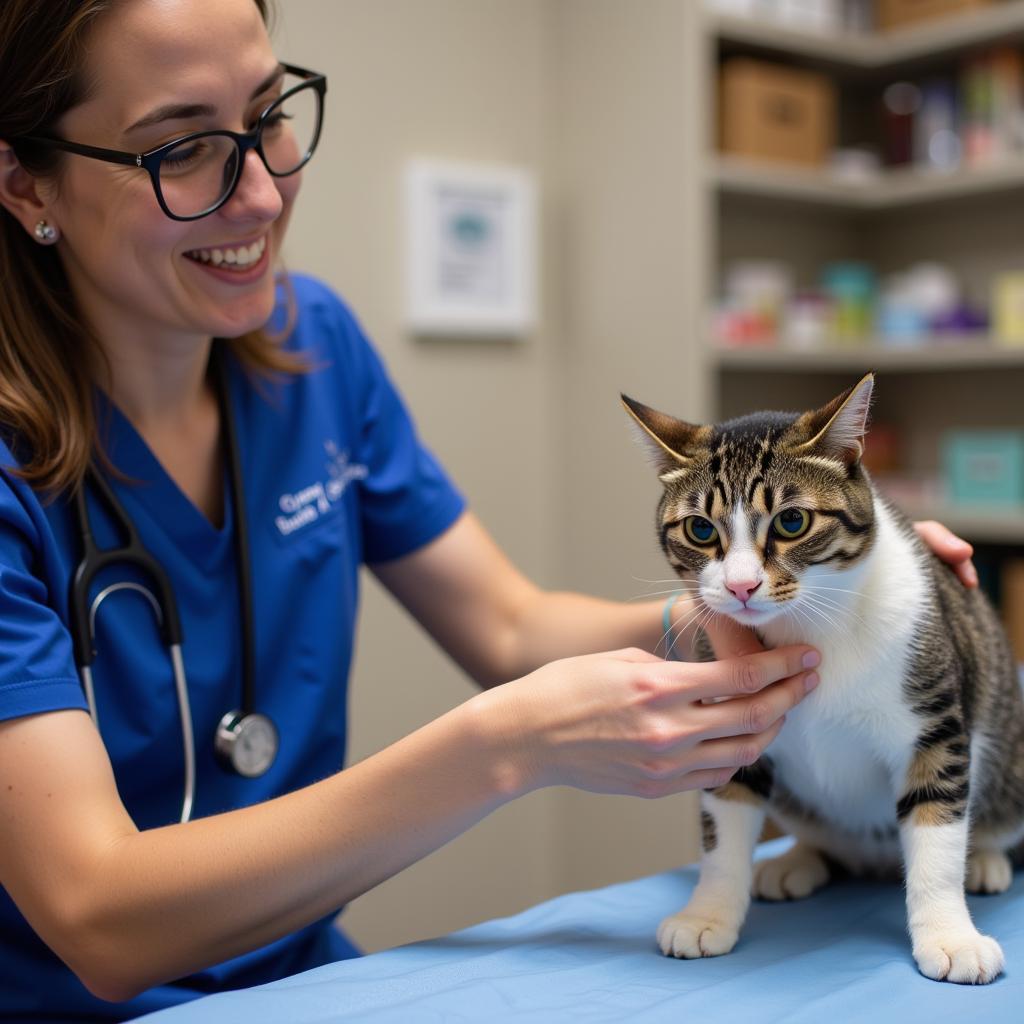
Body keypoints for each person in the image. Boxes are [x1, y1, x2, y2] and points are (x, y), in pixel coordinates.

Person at [0, 1, 978, 1020]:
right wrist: (508, 746)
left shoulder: (314, 350)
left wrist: (746, 616)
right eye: (185, 147)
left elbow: (510, 626)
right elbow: (98, 915)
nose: (259, 191)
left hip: (301, 979)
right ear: (27, 181)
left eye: (269, 112)